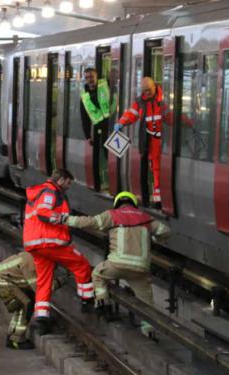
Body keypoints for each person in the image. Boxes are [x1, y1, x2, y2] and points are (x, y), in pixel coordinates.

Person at [65, 191, 170, 318]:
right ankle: (149, 332)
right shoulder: (146, 218)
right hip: (140, 269)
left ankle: (103, 305)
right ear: (134, 204)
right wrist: (154, 239)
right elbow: (165, 231)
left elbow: (91, 222)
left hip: (117, 265)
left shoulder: (112, 215)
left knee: (97, 274)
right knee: (146, 305)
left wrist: (65, 219)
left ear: (117, 204)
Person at [23, 169, 93, 334]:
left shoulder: (38, 191)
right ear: (61, 180)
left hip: (35, 244)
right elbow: (43, 212)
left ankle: (41, 318)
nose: (69, 187)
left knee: (44, 281)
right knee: (81, 264)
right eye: (68, 183)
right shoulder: (50, 192)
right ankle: (87, 301)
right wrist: (63, 219)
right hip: (49, 242)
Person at [113, 77, 171, 208]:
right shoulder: (140, 102)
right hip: (146, 143)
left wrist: (189, 123)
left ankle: (158, 201)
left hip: (159, 142)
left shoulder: (162, 101)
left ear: (154, 87)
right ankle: (153, 200)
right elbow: (131, 114)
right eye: (144, 91)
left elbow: (171, 118)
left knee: (157, 171)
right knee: (152, 170)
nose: (147, 93)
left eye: (149, 90)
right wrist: (120, 123)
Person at [0, 251, 37, 350]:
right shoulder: (30, 263)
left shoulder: (28, 255)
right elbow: (38, 288)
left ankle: (12, 336)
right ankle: (16, 340)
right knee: (26, 304)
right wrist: (59, 282)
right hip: (0, 281)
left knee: (22, 303)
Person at [80, 67, 112, 147]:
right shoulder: (84, 96)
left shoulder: (105, 84)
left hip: (113, 126)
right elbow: (84, 117)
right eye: (87, 77)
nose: (89, 80)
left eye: (91, 76)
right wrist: (88, 136)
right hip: (99, 129)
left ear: (96, 76)